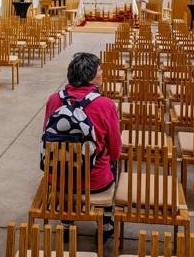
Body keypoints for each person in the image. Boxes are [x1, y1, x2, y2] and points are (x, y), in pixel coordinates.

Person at [43, 52, 122, 244]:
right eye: (99, 70)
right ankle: (105, 223)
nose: (102, 72)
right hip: (95, 183)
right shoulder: (105, 104)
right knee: (112, 162)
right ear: (90, 77)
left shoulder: (54, 100)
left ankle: (67, 223)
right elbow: (115, 150)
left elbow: (47, 140)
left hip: (60, 180)